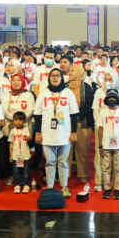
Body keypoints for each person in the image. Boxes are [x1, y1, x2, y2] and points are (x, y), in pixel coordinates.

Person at [34, 68, 79, 198]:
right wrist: (38, 132)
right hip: (47, 133)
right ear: (49, 78)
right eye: (52, 76)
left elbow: (74, 114)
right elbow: (38, 115)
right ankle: (50, 187)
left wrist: (74, 132)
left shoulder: (68, 93)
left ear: (62, 78)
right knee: (50, 162)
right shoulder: (43, 94)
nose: (55, 78)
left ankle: (64, 187)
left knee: (63, 162)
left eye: (57, 75)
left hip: (64, 134)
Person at [1, 73, 35, 187]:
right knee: (11, 152)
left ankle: (25, 178)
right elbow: (4, 110)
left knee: (24, 153)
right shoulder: (6, 94)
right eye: (14, 80)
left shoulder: (28, 95)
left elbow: (30, 109)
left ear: (23, 82)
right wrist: (14, 120)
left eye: (18, 80)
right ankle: (12, 176)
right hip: (10, 126)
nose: (16, 82)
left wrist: (20, 120)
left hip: (24, 126)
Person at [67, 63, 95, 187]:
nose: (70, 72)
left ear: (79, 72)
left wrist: (91, 125)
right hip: (67, 124)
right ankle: (66, 174)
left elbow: (90, 108)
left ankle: (82, 174)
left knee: (82, 151)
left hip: (83, 123)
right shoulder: (64, 87)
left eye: (73, 70)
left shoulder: (87, 88)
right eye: (70, 70)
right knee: (66, 151)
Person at [98, 88, 119, 200]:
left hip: (118, 145)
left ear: (117, 99)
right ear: (106, 100)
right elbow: (100, 129)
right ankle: (107, 188)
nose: (111, 100)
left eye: (113, 98)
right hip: (106, 145)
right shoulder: (102, 112)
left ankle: (118, 188)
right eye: (109, 98)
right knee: (106, 167)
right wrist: (100, 146)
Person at [8, 111, 32, 194]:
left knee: (26, 171)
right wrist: (11, 155)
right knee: (16, 171)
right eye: (16, 120)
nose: (18, 122)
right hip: (16, 155)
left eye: (20, 120)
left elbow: (29, 137)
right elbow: (11, 144)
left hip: (25, 154)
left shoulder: (26, 129)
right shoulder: (12, 131)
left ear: (24, 121)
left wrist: (28, 138)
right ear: (13, 121)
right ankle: (17, 185)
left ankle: (26, 185)